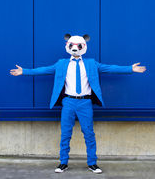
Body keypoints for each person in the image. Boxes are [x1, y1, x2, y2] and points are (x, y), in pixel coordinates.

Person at [10, 33, 146, 174]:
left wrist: (130, 69)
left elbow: (110, 68)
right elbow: (43, 70)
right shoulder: (61, 64)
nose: (75, 48)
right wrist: (24, 71)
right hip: (68, 102)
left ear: (84, 46)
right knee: (66, 133)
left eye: (78, 45)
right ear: (67, 46)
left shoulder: (91, 63)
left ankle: (92, 163)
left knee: (88, 133)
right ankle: (63, 163)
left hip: (85, 103)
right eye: (72, 45)